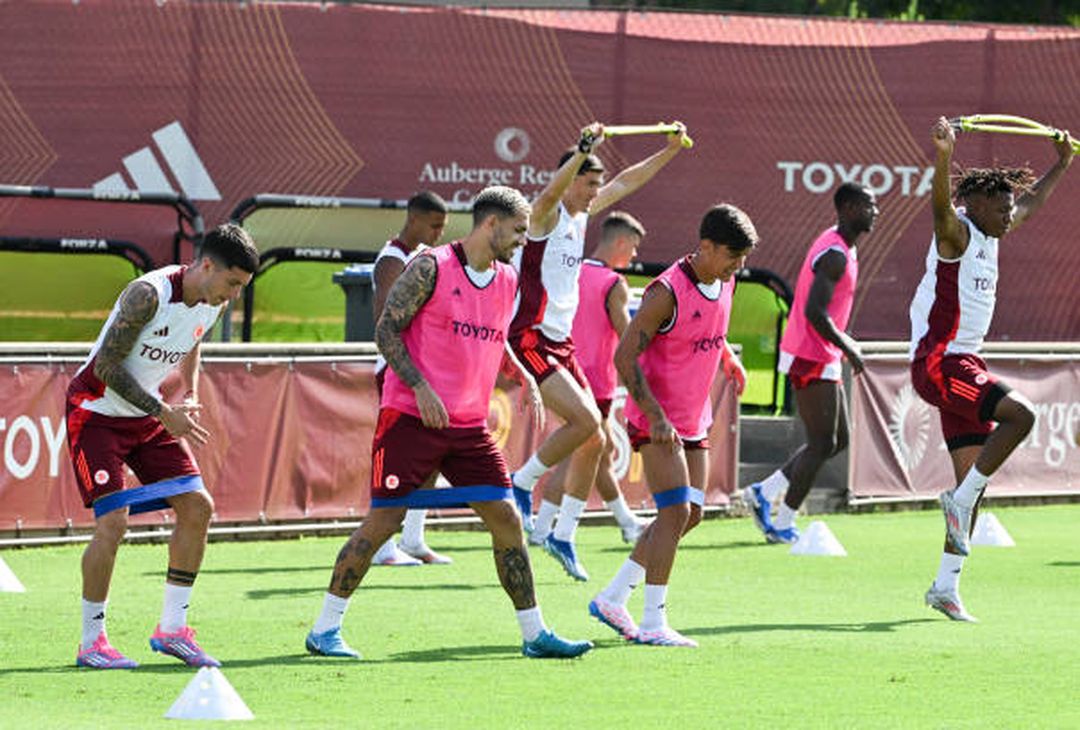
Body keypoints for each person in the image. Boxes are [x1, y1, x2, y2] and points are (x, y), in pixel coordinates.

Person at [305, 186, 592, 660]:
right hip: (409, 419)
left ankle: (534, 633)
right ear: (491, 225)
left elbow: (497, 338)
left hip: (469, 427)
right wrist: (419, 385)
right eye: (519, 230)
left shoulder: (506, 280)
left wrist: (522, 375)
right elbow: (386, 330)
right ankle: (324, 630)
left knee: (506, 518)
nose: (524, 240)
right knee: (383, 522)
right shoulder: (431, 266)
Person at [67, 224, 258, 669]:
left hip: (148, 415)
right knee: (114, 520)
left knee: (198, 507)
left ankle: (172, 631)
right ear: (207, 266)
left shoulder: (211, 300)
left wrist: (187, 393)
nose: (234, 295)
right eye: (233, 283)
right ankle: (91, 642)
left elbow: (192, 343)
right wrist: (162, 410)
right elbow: (108, 367)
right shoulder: (147, 294)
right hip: (96, 412)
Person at [510, 121, 689, 582]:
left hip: (560, 343)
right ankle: (521, 484)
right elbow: (549, 194)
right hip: (529, 336)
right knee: (587, 423)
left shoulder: (579, 216)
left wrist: (670, 151)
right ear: (571, 179)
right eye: (587, 184)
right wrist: (583, 148)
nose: (595, 193)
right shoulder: (544, 216)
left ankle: (563, 534)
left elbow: (627, 182)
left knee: (600, 440)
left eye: (595, 185)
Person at [912, 117, 1072, 622]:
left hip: (965, 363)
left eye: (1008, 210)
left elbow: (1030, 205)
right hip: (941, 362)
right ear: (977, 206)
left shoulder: (992, 231)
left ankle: (945, 586)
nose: (1009, 217)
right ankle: (961, 500)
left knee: (969, 482)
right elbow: (939, 209)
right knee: (1022, 417)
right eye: (1000, 209)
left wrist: (1062, 163)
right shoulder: (957, 233)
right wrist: (942, 156)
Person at [589, 204, 754, 647]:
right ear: (706, 247)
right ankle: (652, 622)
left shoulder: (726, 279)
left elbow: (711, 332)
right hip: (656, 419)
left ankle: (612, 597)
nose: (739, 266)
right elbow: (624, 356)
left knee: (691, 515)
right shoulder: (667, 292)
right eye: (732, 256)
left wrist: (727, 357)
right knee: (674, 512)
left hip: (693, 416)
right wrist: (656, 416)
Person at [743, 183, 879, 544]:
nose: (875, 211)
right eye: (868, 205)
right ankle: (783, 522)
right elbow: (814, 312)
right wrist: (848, 345)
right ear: (848, 208)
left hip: (821, 353)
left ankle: (763, 492)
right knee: (823, 442)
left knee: (837, 441)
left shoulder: (843, 246)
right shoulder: (835, 253)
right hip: (811, 353)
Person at [528, 211, 649, 548]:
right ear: (621, 242)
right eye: (634, 248)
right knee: (579, 456)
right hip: (595, 382)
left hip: (563, 374)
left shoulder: (571, 273)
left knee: (602, 451)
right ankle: (542, 530)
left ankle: (626, 521)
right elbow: (628, 336)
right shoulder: (614, 284)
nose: (635, 256)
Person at [368, 190, 453, 567]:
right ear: (414, 219)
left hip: (425, 371)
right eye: (434, 226)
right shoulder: (393, 259)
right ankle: (383, 546)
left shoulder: (424, 258)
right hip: (396, 371)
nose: (438, 234)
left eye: (443, 228)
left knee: (432, 454)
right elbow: (388, 321)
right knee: (400, 457)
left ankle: (414, 538)